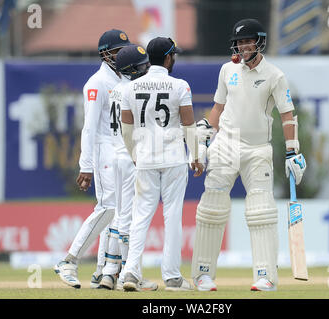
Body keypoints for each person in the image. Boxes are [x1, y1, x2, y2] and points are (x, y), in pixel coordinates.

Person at [190, 18, 307, 292]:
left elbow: (287, 116)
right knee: (211, 209)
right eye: (240, 42)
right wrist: (207, 131)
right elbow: (218, 108)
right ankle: (203, 274)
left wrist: (292, 151)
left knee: (261, 211)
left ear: (259, 42)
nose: (243, 47)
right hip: (226, 144)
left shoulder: (275, 75)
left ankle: (266, 275)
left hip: (257, 150)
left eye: (247, 41)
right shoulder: (226, 70)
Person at [120, 37, 204, 292]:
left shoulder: (130, 88)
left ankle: (131, 272)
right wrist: (196, 156)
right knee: (172, 216)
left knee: (140, 217)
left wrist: (134, 153)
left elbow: (127, 128)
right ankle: (172, 277)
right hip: (173, 158)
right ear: (168, 58)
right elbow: (189, 124)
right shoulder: (180, 85)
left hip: (145, 158)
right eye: (173, 56)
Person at [54, 29, 131, 289]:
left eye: (125, 50)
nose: (123, 55)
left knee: (117, 212)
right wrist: (85, 165)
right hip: (103, 150)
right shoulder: (96, 83)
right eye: (118, 51)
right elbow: (88, 127)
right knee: (107, 208)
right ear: (105, 54)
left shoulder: (124, 80)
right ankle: (69, 260)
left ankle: (101, 271)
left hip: (121, 151)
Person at [98, 44, 157, 291]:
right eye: (143, 65)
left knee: (121, 217)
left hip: (117, 157)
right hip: (133, 157)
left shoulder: (117, 89)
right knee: (132, 219)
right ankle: (130, 275)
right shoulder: (135, 89)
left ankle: (110, 272)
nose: (147, 68)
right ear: (133, 69)